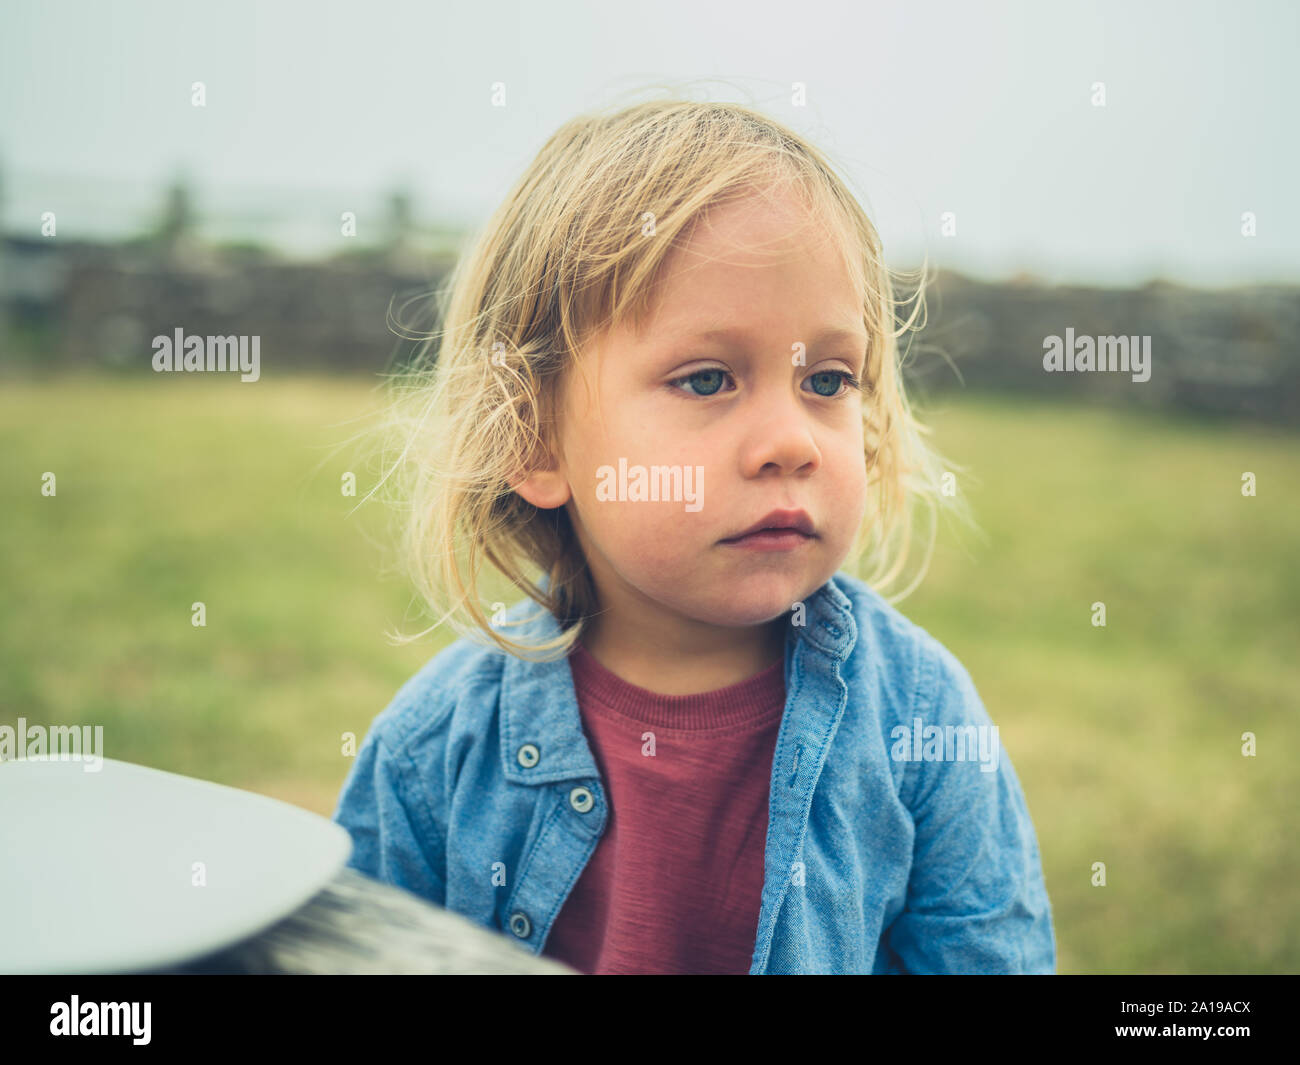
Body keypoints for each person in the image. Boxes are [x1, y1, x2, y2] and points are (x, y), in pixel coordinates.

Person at [332, 96, 1056, 974]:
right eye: (708, 378)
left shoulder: (922, 724)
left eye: (829, 379)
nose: (792, 440)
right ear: (532, 438)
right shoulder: (435, 751)